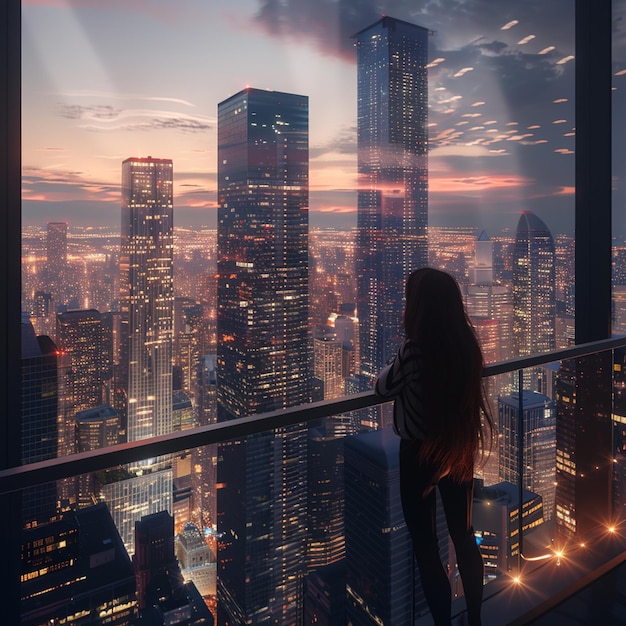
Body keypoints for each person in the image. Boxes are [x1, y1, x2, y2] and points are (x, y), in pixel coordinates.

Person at [375, 267, 494, 626]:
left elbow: (382, 387)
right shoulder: (467, 349)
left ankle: (443, 622)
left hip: (418, 454)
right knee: (463, 535)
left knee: (427, 548)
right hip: (457, 447)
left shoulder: (413, 351)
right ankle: (475, 617)